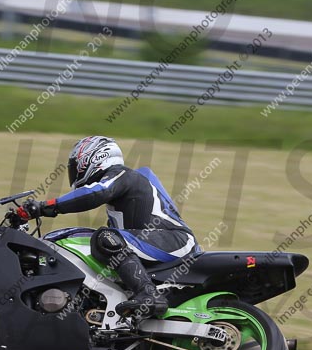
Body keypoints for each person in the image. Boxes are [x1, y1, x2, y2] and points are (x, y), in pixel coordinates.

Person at [20, 136, 198, 319]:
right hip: (160, 241)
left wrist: (45, 206)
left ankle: (149, 295)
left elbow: (96, 192)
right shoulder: (122, 194)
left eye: (75, 166)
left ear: (94, 158)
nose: (73, 173)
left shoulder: (122, 174)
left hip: (174, 239)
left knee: (105, 238)